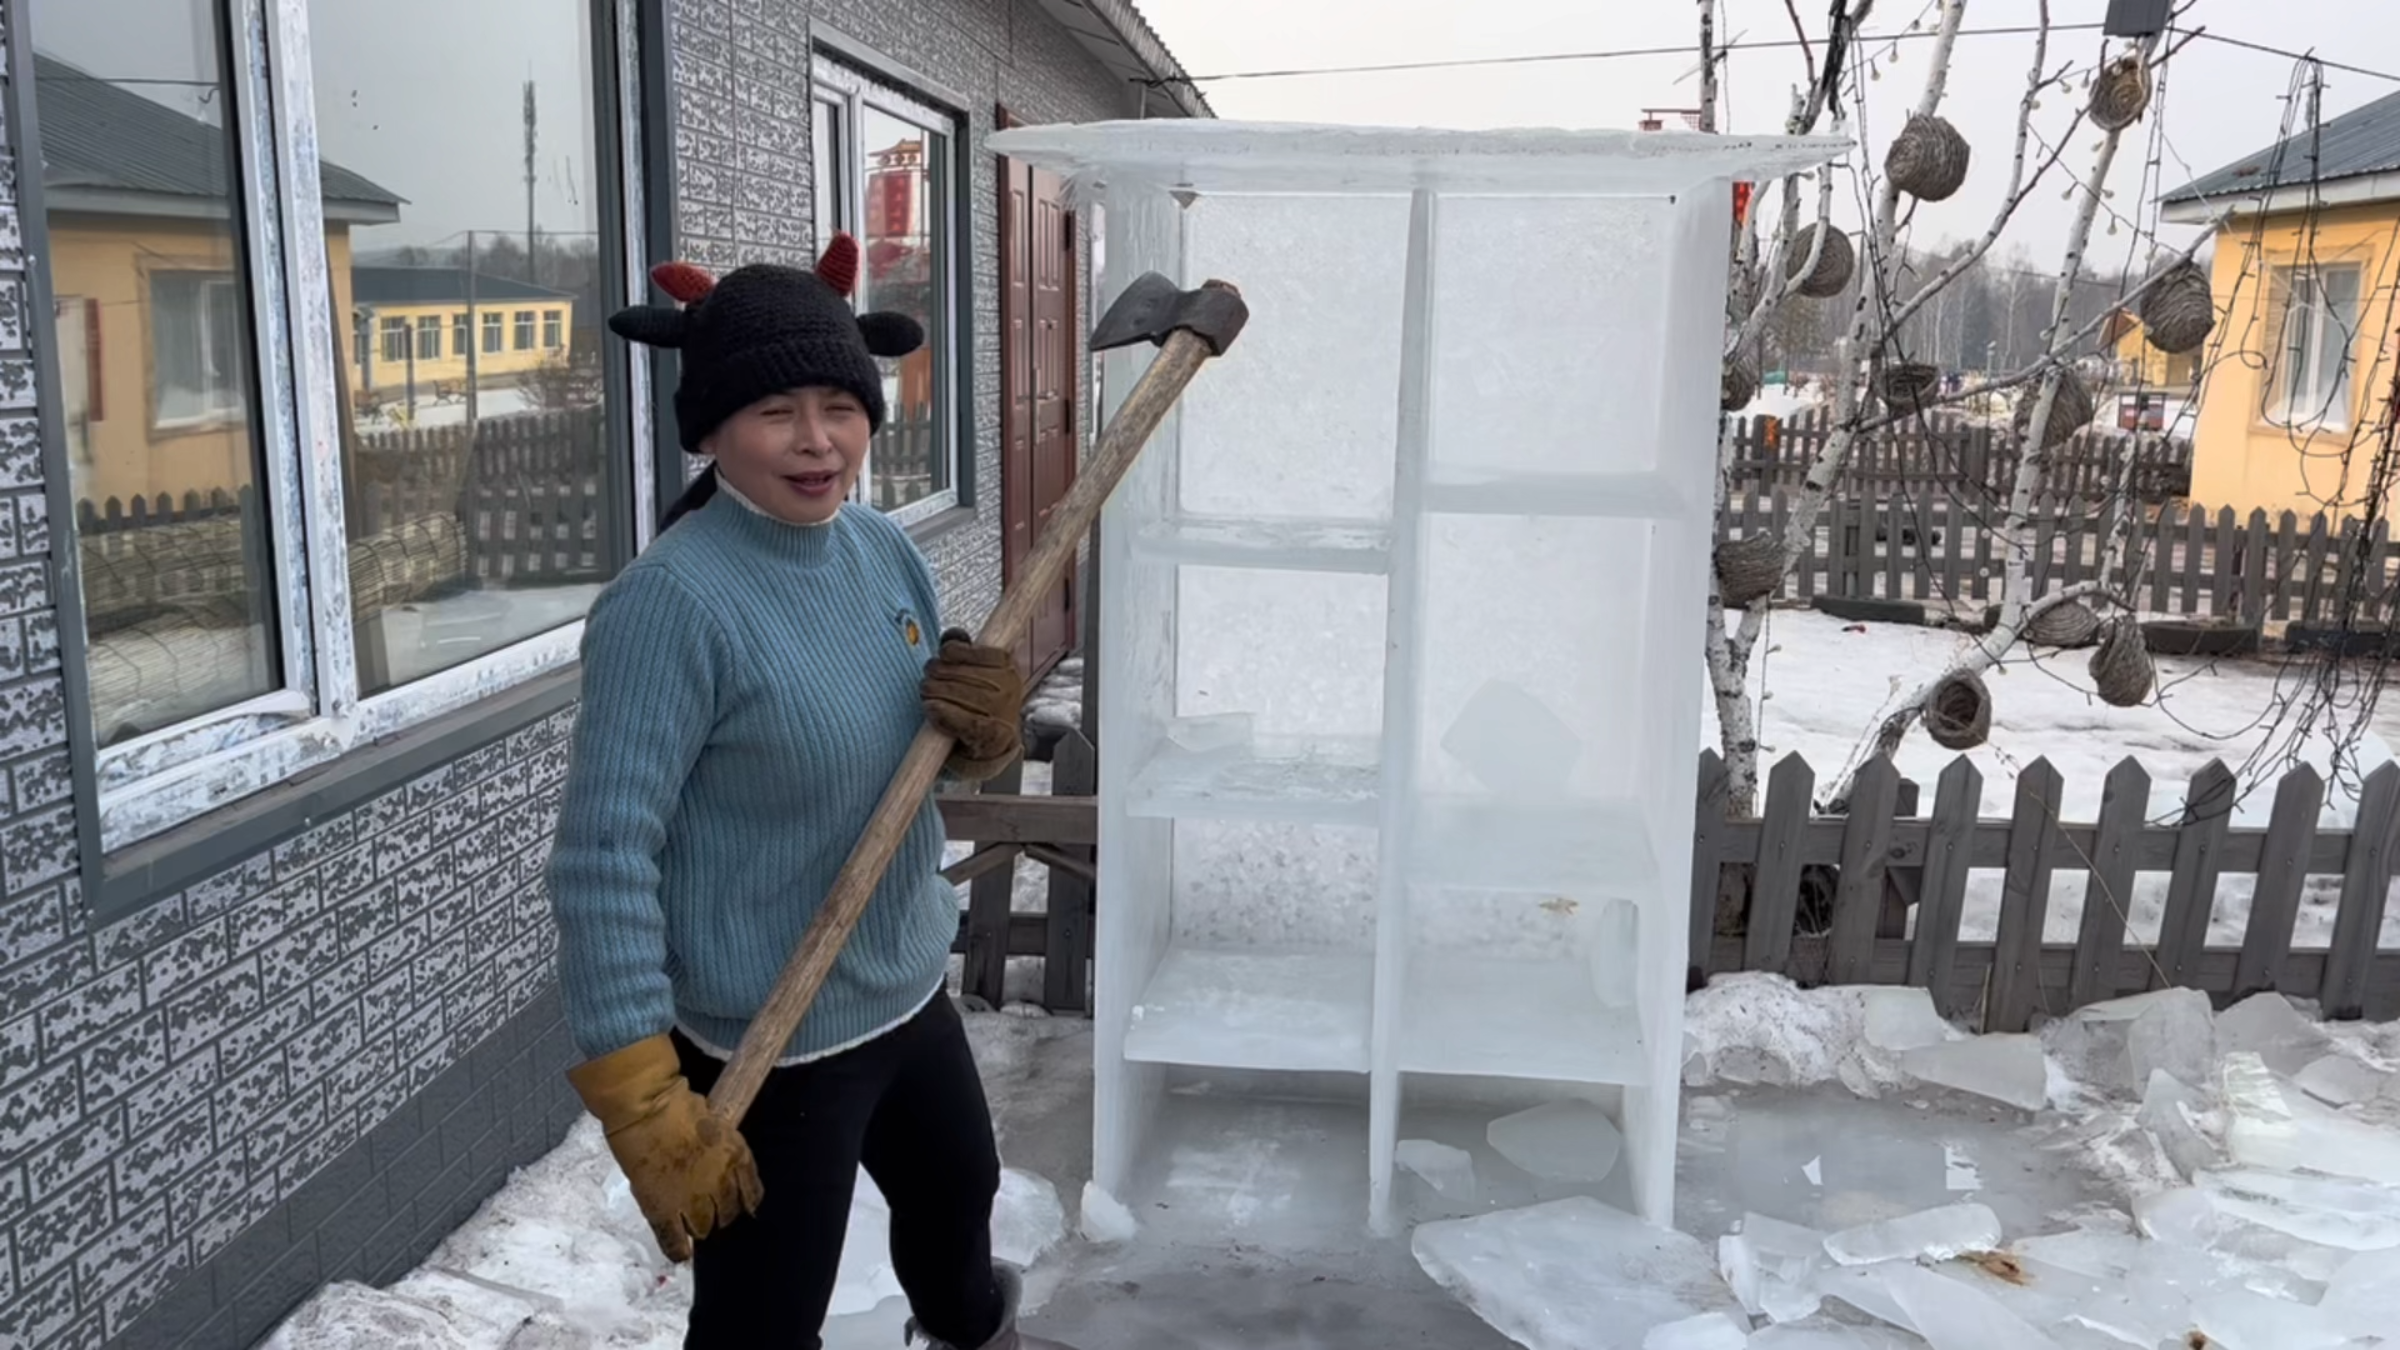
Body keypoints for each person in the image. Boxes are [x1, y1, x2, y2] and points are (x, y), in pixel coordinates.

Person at [545, 233, 1073, 1350]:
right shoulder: (671, 605)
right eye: (777, 408)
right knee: (763, 1320)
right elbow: (603, 859)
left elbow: (914, 755)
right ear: (713, 428)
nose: (818, 439)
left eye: (841, 402)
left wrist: (982, 735)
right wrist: (645, 1091)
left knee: (956, 1210)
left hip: (900, 986)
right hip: (766, 1039)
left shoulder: (884, 553)